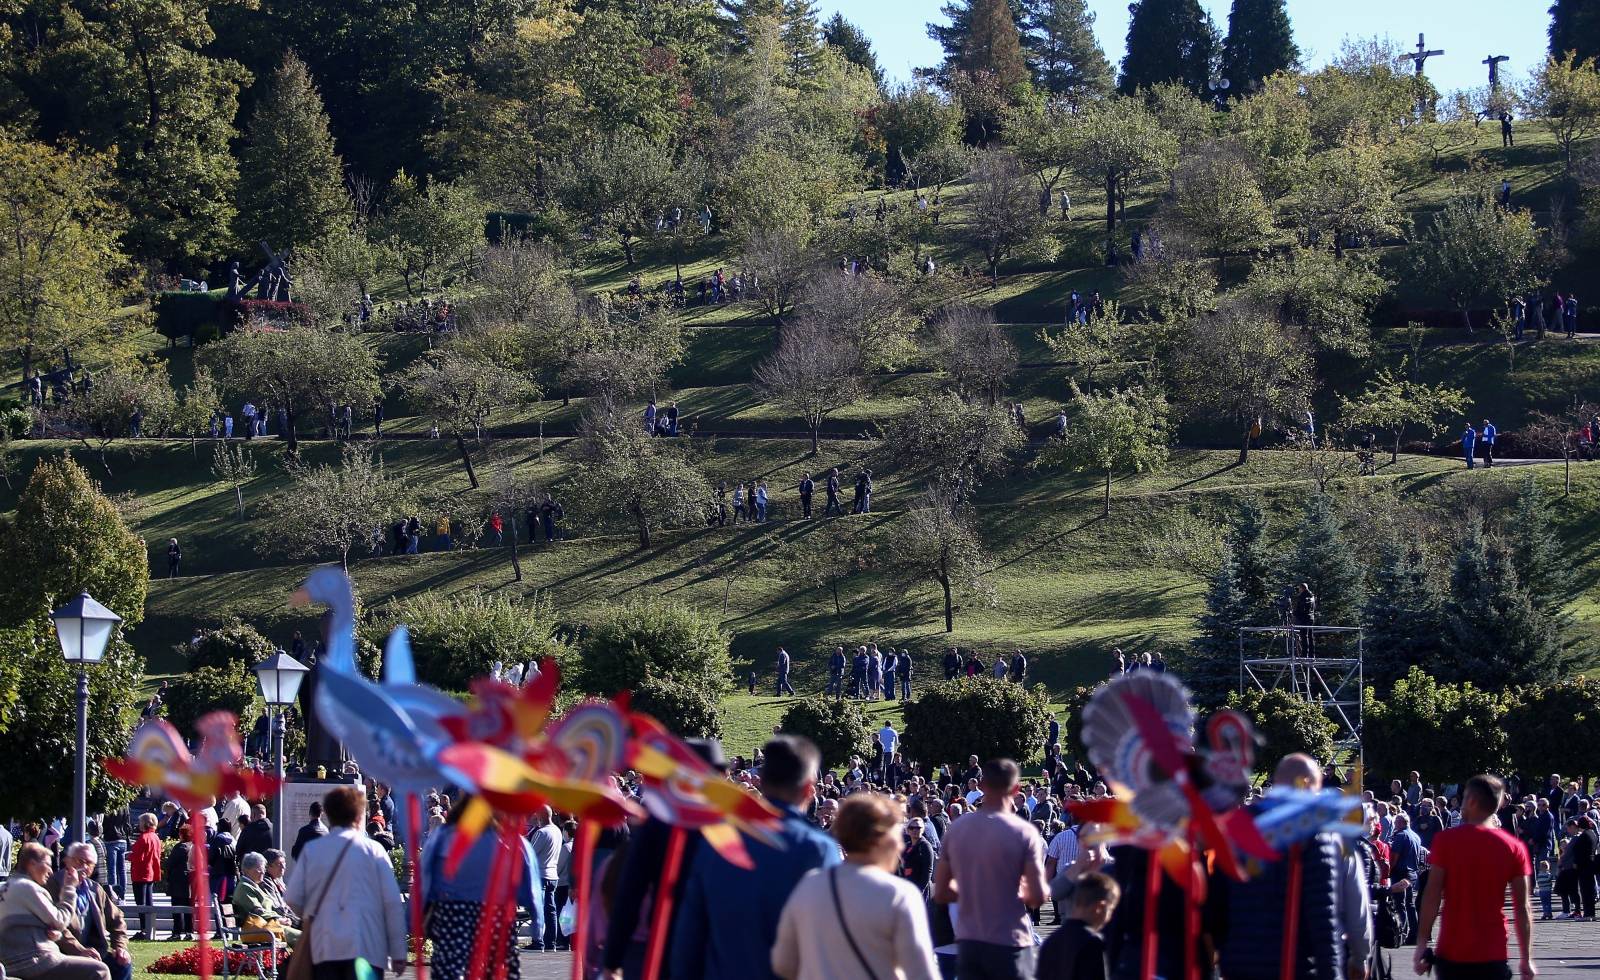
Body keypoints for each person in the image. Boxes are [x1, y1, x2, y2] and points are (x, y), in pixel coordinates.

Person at [672, 736, 841, 980]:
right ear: (808, 788)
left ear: (761, 782)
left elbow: (689, 937)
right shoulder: (817, 849)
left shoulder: (717, 838)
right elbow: (829, 940)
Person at [771, 794, 939, 980]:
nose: (900, 844)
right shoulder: (899, 895)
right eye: (895, 836)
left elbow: (783, 963)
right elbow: (922, 973)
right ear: (880, 839)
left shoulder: (808, 886)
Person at [933, 758, 1049, 980]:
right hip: (1010, 939)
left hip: (971, 942)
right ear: (1016, 789)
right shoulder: (1024, 832)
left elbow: (941, 893)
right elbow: (1036, 897)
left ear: (982, 786)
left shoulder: (957, 829)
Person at [1413, 773, 1536, 980]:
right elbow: (1522, 906)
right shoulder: (1514, 848)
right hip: (1493, 951)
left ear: (1470, 801)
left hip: (1452, 951)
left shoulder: (1446, 841)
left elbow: (1431, 896)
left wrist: (1422, 943)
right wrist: (1526, 958)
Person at [285, 786, 408, 980]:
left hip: (325, 945)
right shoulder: (374, 851)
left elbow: (292, 898)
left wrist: (312, 914)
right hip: (367, 946)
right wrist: (399, 952)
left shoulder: (313, 851)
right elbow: (391, 904)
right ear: (359, 816)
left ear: (329, 815)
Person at [424, 800, 540, 980]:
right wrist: (537, 924)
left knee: (450, 970)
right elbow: (531, 888)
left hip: (453, 916)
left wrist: (415, 918)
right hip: (496, 916)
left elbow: (426, 880)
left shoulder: (444, 837)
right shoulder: (511, 840)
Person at [0, 842, 113, 980]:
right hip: (37, 961)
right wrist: (69, 888)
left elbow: (23, 925)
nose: (50, 871)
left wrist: (53, 933)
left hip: (11, 962)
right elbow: (60, 920)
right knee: (100, 970)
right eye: (47, 864)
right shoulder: (28, 887)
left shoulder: (5, 887)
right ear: (32, 864)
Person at [50, 843, 131, 980]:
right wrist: (80, 950)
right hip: (63, 953)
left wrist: (120, 947)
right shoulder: (53, 885)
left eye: (89, 863)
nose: (84, 867)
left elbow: (117, 919)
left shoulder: (95, 889)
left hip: (95, 951)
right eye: (79, 861)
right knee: (94, 969)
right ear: (67, 860)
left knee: (122, 964)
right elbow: (55, 926)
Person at [1035, 871, 1119, 980]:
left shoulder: (1051, 940)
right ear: (1100, 907)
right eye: (1110, 910)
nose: (1110, 917)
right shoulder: (1092, 942)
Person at [233, 852, 300, 947]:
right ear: (247, 870)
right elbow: (257, 911)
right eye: (260, 868)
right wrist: (279, 919)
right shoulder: (245, 887)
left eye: (264, 868)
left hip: (267, 927)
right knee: (303, 938)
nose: (263, 872)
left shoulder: (253, 886)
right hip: (260, 929)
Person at [526, 806, 564, 952]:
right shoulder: (557, 831)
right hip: (553, 874)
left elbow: (531, 854)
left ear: (540, 815)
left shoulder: (542, 833)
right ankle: (551, 942)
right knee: (551, 911)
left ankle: (538, 941)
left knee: (538, 910)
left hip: (540, 875)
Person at [127, 814, 161, 932]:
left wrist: (129, 856)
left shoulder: (144, 838)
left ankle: (144, 929)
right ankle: (149, 927)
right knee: (148, 901)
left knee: (141, 903)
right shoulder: (155, 837)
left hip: (141, 873)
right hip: (150, 872)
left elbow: (138, 857)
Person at [163, 825, 193, 942]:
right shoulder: (193, 846)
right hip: (189, 880)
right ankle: (189, 931)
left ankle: (177, 932)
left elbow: (169, 863)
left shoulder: (180, 847)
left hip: (178, 880)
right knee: (188, 908)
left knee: (177, 908)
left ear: (182, 835)